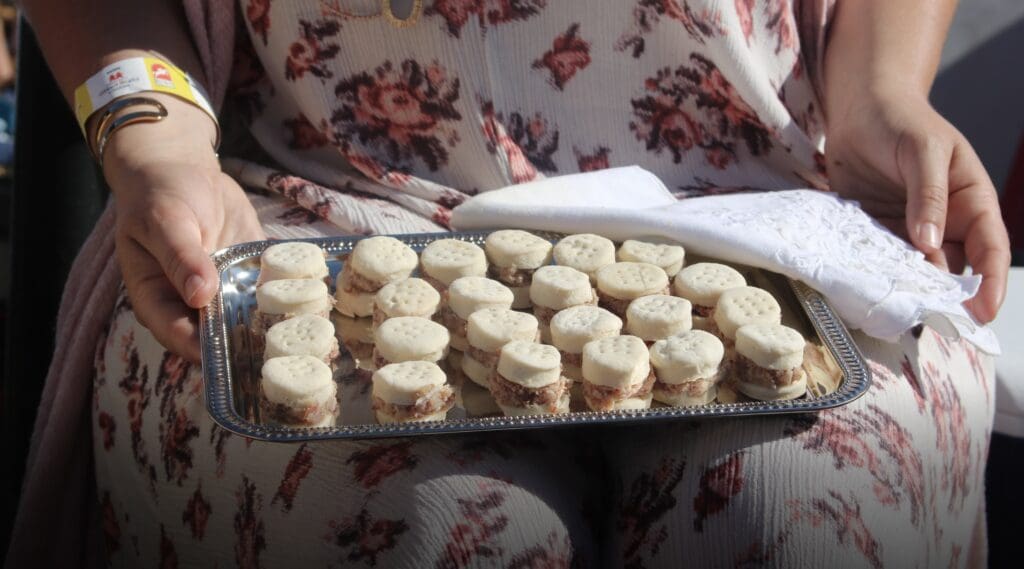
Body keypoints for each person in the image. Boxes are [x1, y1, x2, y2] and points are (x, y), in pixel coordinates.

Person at [9, 0, 1009, 567]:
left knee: (796, 519)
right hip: (322, 220)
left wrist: (879, 89)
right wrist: (157, 143)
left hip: (751, 222)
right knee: (440, 537)